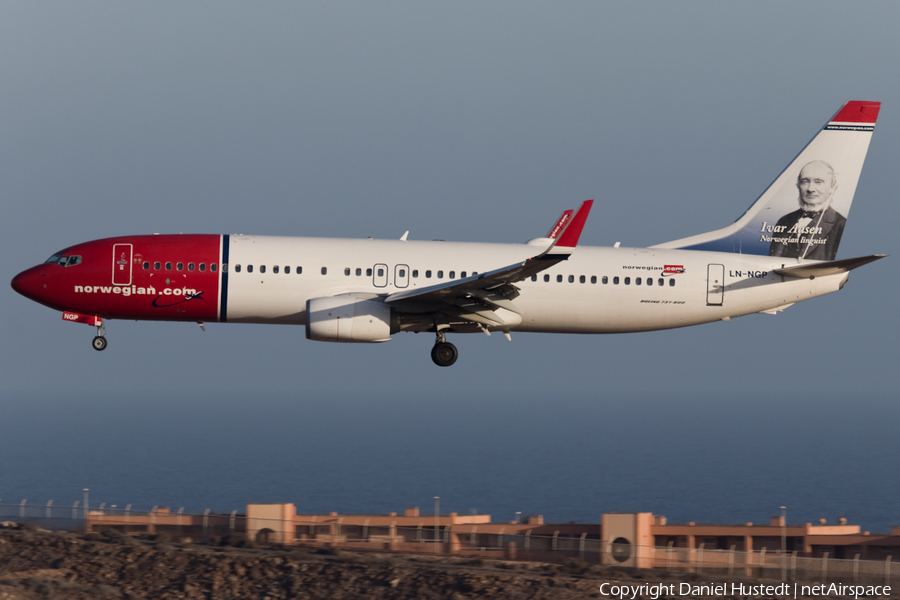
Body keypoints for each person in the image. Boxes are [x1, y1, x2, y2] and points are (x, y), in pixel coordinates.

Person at [768, 160, 846, 260]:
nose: (810, 188)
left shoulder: (841, 224)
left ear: (832, 187)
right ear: (798, 186)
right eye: (805, 181)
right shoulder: (785, 220)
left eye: (818, 182)